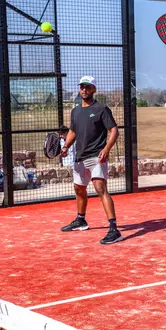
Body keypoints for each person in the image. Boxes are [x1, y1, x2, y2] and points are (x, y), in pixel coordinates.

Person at [59, 76, 122, 245]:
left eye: (88, 87)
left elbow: (114, 131)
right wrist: (65, 147)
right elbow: (73, 131)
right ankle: (81, 220)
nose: (84, 90)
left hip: (96, 156)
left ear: (94, 89)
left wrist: (106, 149)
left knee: (100, 188)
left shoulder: (102, 109)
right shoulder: (75, 111)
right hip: (80, 156)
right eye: (82, 87)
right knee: (79, 189)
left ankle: (114, 229)